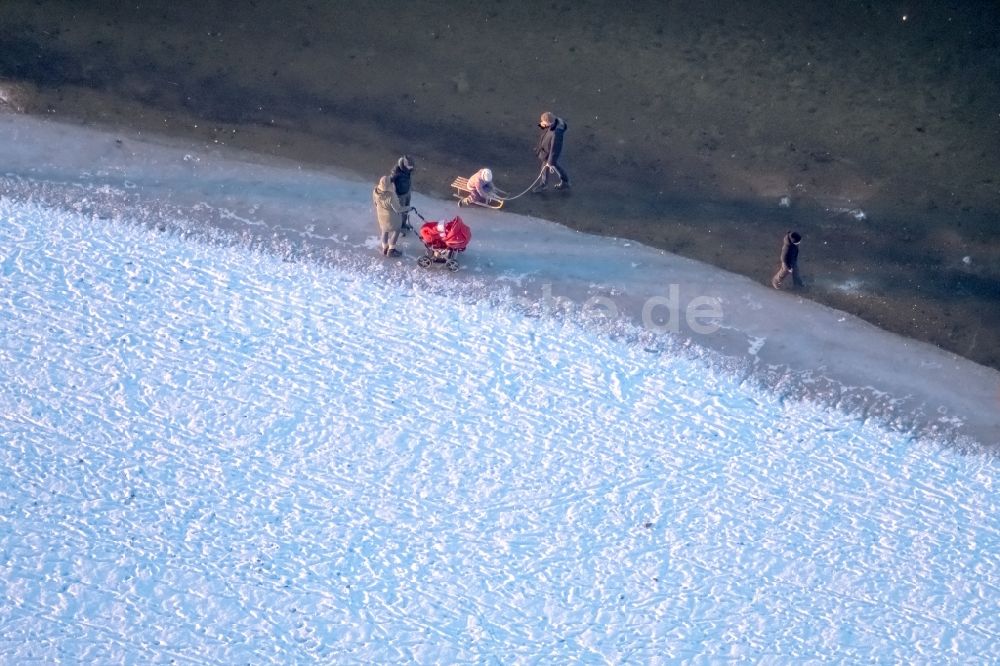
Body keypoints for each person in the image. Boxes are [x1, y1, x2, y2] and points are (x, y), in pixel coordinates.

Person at [373, 175, 410, 257]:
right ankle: (391, 250)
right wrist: (408, 208)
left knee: (384, 231)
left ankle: (384, 248)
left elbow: (375, 203)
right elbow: (398, 209)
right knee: (396, 231)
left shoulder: (376, 191)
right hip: (391, 218)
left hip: (381, 216)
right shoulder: (391, 196)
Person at [533, 111, 570, 191]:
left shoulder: (556, 134)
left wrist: (550, 161)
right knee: (552, 166)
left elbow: (555, 148)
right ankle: (564, 181)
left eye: (543, 122)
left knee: (550, 166)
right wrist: (543, 126)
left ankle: (545, 184)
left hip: (549, 153)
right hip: (546, 151)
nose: (541, 123)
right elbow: (547, 130)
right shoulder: (554, 123)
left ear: (549, 123)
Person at [389, 155, 415, 230]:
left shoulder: (409, 169)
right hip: (400, 195)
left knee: (406, 210)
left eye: (412, 166)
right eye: (410, 167)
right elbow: (389, 181)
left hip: (407, 192)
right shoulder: (396, 171)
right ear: (405, 164)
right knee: (400, 212)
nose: (412, 168)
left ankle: (403, 224)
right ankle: (397, 228)